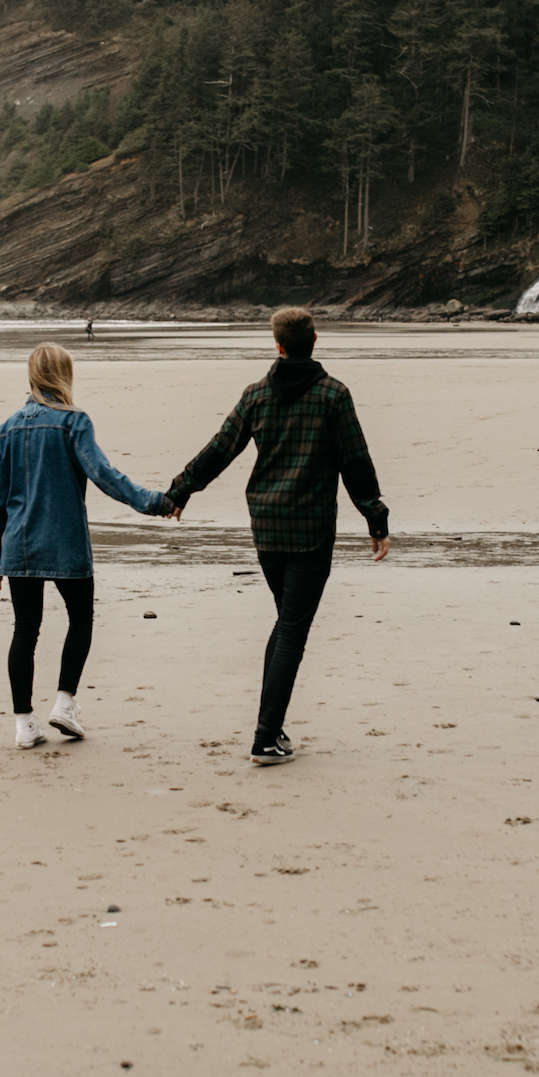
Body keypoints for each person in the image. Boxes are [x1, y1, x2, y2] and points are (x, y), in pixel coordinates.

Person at [159, 307, 389, 765]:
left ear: (278, 347)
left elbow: (220, 448)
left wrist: (181, 489)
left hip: (266, 530)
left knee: (286, 622)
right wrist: (375, 517)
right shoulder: (333, 395)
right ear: (315, 340)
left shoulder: (257, 395)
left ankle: (273, 727)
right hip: (310, 532)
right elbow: (355, 460)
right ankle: (265, 738)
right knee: (291, 630)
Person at [0, 343, 170, 749]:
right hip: (65, 540)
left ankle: (24, 724)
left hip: (20, 545)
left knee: (25, 630)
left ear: (32, 376)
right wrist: (152, 502)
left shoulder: (7, 428)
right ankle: (65, 703)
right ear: (64, 376)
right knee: (80, 619)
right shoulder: (73, 422)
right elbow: (104, 475)